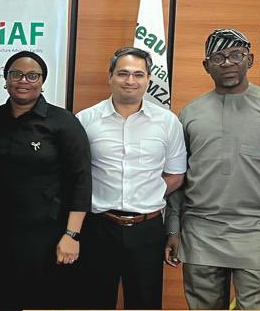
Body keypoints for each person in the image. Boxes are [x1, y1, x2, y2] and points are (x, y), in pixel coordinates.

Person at [165, 29, 260, 310]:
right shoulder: (190, 114)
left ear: (249, 59)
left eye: (236, 55)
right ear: (206, 66)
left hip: (258, 236)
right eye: (218, 57)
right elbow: (178, 177)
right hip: (201, 234)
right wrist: (173, 228)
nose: (227, 63)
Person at [0, 50, 91, 310]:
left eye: (32, 75)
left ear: (42, 81)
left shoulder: (63, 122)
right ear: (5, 80)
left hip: (46, 238)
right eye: (16, 74)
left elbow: (81, 180)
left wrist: (72, 235)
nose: (23, 80)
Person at [75, 47, 187, 309]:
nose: (130, 80)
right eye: (123, 73)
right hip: (98, 227)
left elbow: (176, 175)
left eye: (138, 74)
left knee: (145, 304)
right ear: (110, 76)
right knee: (94, 302)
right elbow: (75, 176)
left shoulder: (167, 122)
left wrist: (148, 195)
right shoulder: (85, 120)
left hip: (147, 230)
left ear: (149, 79)